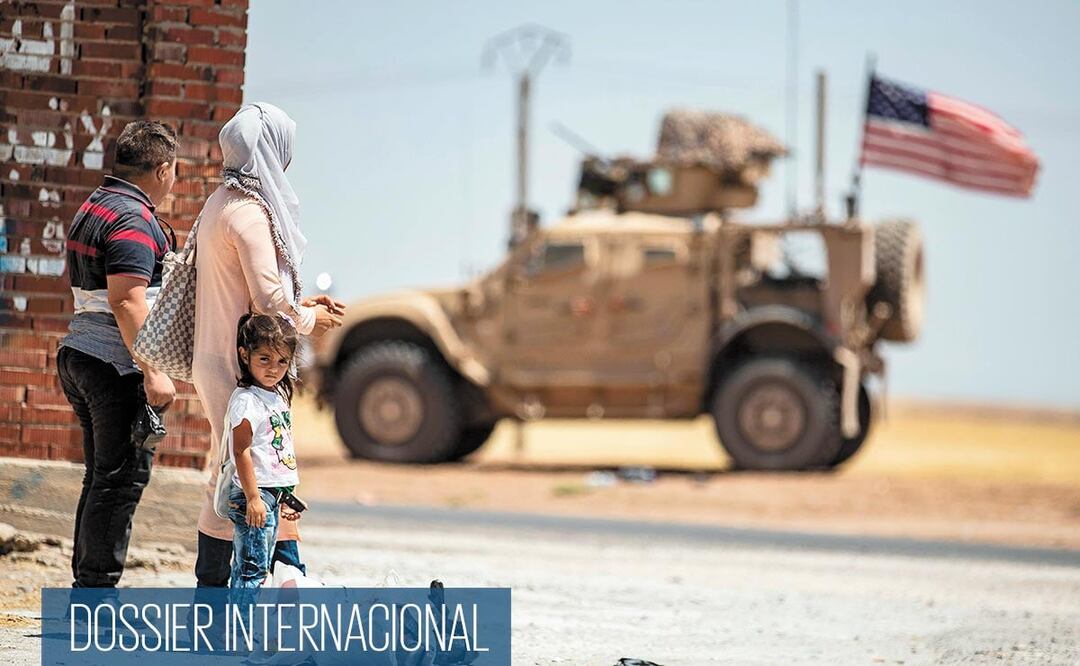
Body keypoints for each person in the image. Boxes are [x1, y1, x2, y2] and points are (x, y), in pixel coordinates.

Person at [191, 102, 343, 587]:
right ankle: (257, 590)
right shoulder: (250, 213)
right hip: (240, 366)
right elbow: (268, 299)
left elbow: (251, 288)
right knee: (248, 476)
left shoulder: (220, 202)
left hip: (225, 359)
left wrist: (300, 302)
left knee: (243, 473)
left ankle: (257, 588)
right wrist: (309, 319)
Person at [58, 120, 178, 587]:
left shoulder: (96, 204)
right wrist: (154, 372)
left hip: (82, 355)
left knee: (102, 480)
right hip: (116, 365)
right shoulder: (132, 218)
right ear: (163, 169)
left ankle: (86, 594)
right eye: (174, 172)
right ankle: (95, 601)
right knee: (119, 483)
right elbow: (127, 300)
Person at [225, 314, 303, 588]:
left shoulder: (276, 397)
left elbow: (276, 453)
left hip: (271, 496)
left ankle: (243, 615)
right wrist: (253, 498)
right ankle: (242, 617)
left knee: (257, 570)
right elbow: (241, 450)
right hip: (255, 496)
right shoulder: (248, 400)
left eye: (282, 361)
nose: (274, 368)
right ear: (245, 355)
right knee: (252, 572)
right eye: (265, 359)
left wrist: (287, 498)